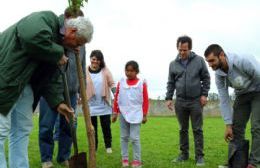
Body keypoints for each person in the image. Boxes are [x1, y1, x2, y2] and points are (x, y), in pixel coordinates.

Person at [0, 10, 93, 168]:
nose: (77, 48)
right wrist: (57, 53)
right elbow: (30, 36)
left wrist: (58, 103)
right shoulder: (46, 20)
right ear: (72, 31)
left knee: (22, 131)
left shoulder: (58, 46)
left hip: (26, 86)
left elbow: (50, 78)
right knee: (1, 130)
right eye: (78, 43)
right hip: (4, 80)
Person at [38, 8, 87, 168]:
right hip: (51, 89)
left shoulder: (81, 44)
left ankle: (64, 156)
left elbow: (82, 66)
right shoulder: (57, 35)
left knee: (69, 125)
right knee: (47, 125)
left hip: (71, 90)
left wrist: (82, 89)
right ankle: (46, 158)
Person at [204, 44, 260, 168]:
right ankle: (238, 163)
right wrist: (228, 124)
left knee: (257, 126)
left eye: (212, 60)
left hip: (258, 91)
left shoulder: (243, 61)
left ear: (222, 55)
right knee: (236, 128)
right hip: (242, 94)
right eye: (208, 62)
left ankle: (253, 163)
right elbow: (224, 99)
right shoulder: (218, 75)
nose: (210, 65)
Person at [165, 35, 210, 166]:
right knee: (182, 129)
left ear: (190, 48)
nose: (182, 52)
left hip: (196, 101)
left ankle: (199, 156)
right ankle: (184, 155)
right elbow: (170, 82)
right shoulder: (173, 64)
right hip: (180, 101)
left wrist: (204, 95)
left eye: (185, 50)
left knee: (197, 129)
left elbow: (206, 78)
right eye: (180, 50)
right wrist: (168, 98)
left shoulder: (199, 61)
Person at [112, 60, 149, 168]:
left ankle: (137, 160)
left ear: (136, 71)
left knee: (134, 138)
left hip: (137, 114)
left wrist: (145, 114)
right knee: (124, 137)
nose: (128, 73)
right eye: (127, 70)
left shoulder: (141, 83)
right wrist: (115, 113)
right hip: (123, 113)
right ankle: (125, 158)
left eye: (131, 71)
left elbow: (145, 100)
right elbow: (117, 98)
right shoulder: (121, 82)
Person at [86, 50, 115, 153]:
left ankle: (108, 146)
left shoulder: (105, 70)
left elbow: (112, 83)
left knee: (106, 126)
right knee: (92, 128)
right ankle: (94, 147)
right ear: (90, 59)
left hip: (104, 103)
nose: (95, 61)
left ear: (100, 61)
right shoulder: (85, 70)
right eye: (93, 59)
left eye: (98, 60)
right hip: (90, 104)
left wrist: (115, 95)